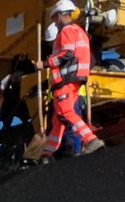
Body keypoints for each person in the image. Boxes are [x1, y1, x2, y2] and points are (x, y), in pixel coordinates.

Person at [39, 0, 104, 158]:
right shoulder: (79, 31)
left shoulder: (66, 32)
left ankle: (90, 140)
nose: (55, 22)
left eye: (55, 18)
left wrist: (45, 63)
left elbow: (66, 54)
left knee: (67, 112)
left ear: (61, 15)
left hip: (65, 80)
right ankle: (48, 152)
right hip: (75, 79)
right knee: (58, 118)